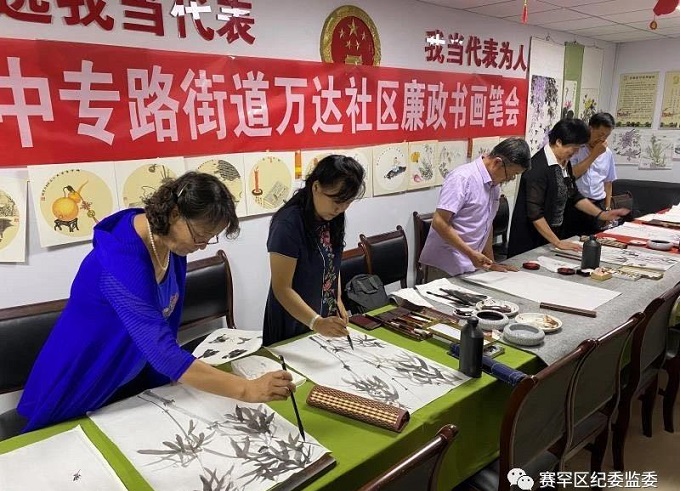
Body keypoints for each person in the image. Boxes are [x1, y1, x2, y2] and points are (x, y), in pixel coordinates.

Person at [18, 172, 294, 432]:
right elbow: (162, 351)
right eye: (200, 236)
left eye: (209, 239)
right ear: (174, 214)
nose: (201, 246)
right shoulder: (118, 263)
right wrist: (247, 389)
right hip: (84, 375)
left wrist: (170, 372)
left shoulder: (170, 243)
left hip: (130, 373)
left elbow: (165, 324)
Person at [264, 155, 365, 346]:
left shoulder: (333, 216)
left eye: (347, 202)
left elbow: (333, 261)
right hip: (293, 321)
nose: (341, 208)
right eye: (337, 200)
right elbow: (282, 288)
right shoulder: (288, 224)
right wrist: (315, 322)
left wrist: (337, 298)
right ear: (316, 187)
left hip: (323, 319)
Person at [507, 119, 629, 258]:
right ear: (559, 142)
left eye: (579, 147)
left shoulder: (564, 162)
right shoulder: (537, 168)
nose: (576, 152)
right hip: (531, 238)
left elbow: (574, 195)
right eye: (574, 148)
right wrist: (557, 242)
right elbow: (535, 214)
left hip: (553, 234)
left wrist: (601, 214)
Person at [418, 137, 531, 281]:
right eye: (511, 175)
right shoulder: (462, 178)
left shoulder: (494, 185)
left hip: (471, 262)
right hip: (446, 264)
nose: (510, 179)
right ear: (497, 163)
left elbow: (487, 224)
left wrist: (492, 262)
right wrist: (470, 253)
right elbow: (439, 222)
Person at [565, 112, 618, 236]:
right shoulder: (576, 148)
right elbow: (572, 175)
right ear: (590, 128)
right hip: (576, 206)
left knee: (596, 241)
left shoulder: (607, 153)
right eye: (600, 134)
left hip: (598, 205)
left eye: (606, 136)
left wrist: (607, 209)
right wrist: (594, 154)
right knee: (572, 241)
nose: (602, 139)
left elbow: (608, 182)